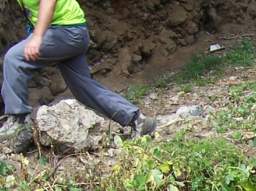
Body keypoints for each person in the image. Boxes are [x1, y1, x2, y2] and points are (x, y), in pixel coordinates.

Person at [0, 0, 156, 151]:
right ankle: (138, 120)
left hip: (66, 31)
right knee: (84, 89)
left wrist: (37, 37)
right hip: (72, 30)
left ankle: (18, 123)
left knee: (14, 59)